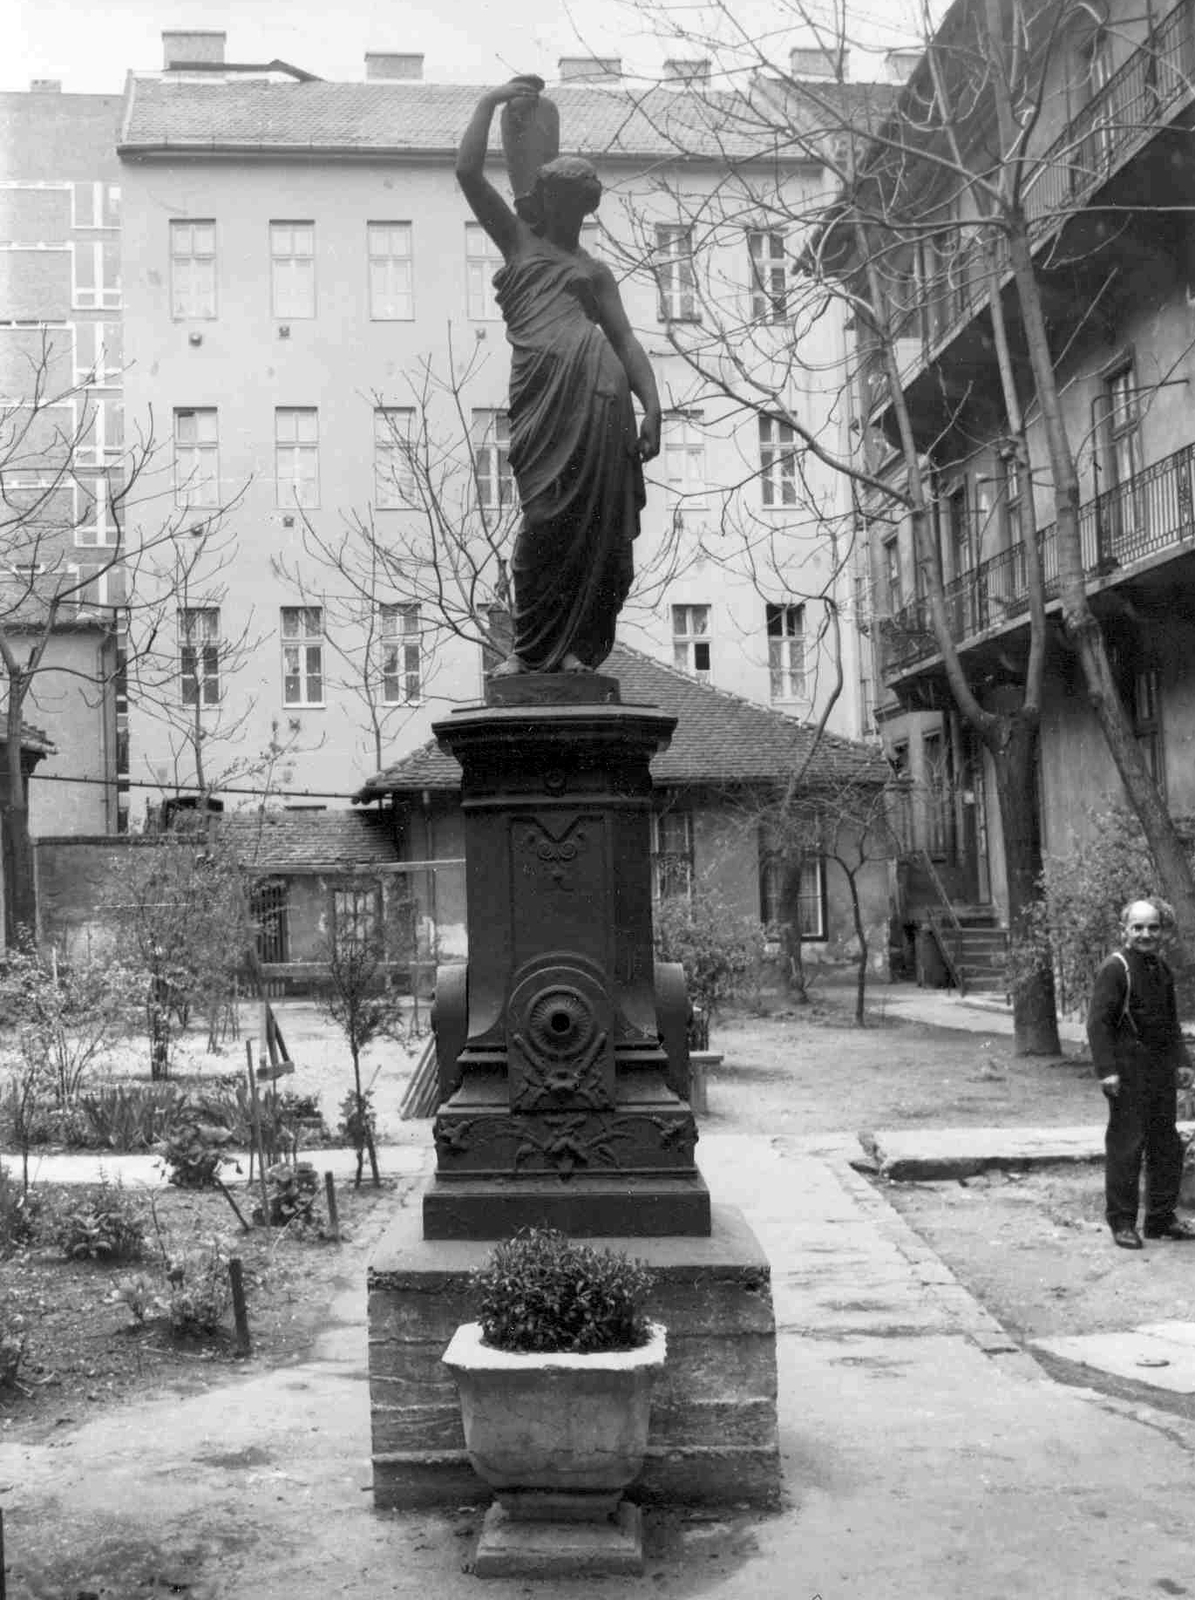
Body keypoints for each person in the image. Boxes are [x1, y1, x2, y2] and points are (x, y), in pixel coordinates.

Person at [455, 77, 662, 675]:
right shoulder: (517, 242)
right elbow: (469, 174)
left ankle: (576, 650)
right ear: (543, 202)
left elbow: (624, 340)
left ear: (583, 209)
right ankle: (530, 651)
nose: (566, 215)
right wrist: (488, 101)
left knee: (598, 532)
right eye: (559, 203)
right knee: (544, 519)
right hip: (543, 401)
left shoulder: (595, 273)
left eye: (577, 206)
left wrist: (653, 408)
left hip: (600, 397)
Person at [1086, 897, 1195, 1248]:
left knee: (1166, 1146)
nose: (1145, 934)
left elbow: (1171, 1024)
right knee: (1126, 1147)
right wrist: (1107, 1071)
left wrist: (1182, 1063)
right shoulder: (1116, 968)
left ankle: (1161, 1219)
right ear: (1125, 930)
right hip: (1127, 1075)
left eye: (1152, 927)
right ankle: (1122, 1223)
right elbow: (1097, 1024)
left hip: (1160, 1073)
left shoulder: (1160, 969)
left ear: (1161, 931)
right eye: (1138, 927)